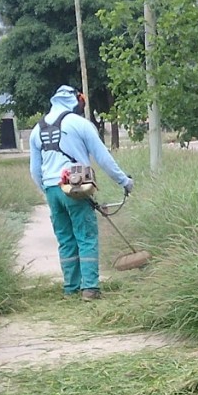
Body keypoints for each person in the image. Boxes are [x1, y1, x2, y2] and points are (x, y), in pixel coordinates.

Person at [30, 85, 135, 301]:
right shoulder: (80, 124)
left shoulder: (36, 130)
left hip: (52, 189)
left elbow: (34, 170)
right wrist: (124, 181)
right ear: (75, 100)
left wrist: (47, 192)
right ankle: (90, 289)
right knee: (86, 236)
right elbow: (103, 158)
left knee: (66, 239)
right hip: (76, 189)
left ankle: (71, 288)